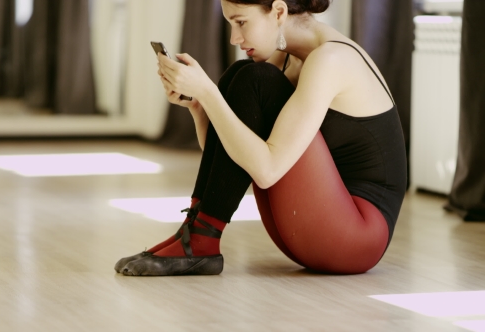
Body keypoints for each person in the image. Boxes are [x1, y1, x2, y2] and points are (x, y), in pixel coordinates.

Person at [115, 0, 407, 276]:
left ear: (279, 12)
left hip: (356, 238)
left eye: (241, 22)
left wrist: (208, 92)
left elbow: (266, 172)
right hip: (308, 228)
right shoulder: (286, 60)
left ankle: (201, 240)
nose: (234, 37)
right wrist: (199, 107)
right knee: (241, 74)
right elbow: (231, 162)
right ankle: (195, 233)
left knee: (255, 79)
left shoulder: (332, 59)